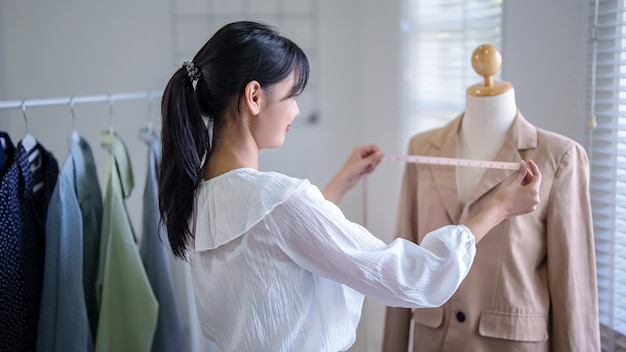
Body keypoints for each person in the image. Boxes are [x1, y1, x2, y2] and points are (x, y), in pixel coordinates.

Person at [158, 22, 542, 352]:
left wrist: (341, 182)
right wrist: (498, 208)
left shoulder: (198, 199)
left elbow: (278, 251)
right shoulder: (277, 200)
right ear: (254, 96)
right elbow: (412, 276)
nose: (295, 110)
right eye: (292, 94)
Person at [383, 45, 599, 351]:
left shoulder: (560, 157)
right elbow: (403, 257)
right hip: (432, 339)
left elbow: (573, 285)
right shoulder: (422, 148)